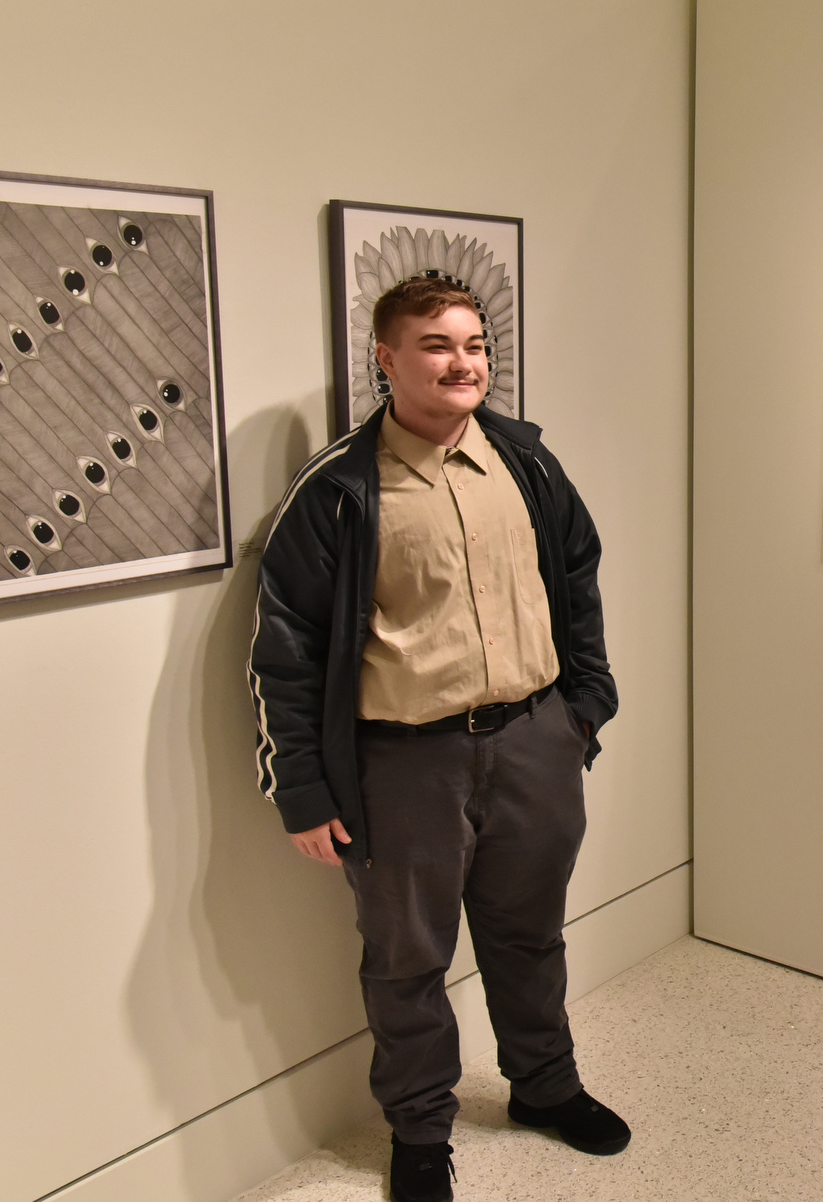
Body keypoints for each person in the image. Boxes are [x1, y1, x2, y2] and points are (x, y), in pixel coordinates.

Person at [247, 276, 626, 1202]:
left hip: (537, 741)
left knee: (529, 936)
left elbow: (577, 573)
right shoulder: (338, 490)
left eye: (475, 345)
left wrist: (586, 702)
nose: (464, 364)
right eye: (436, 345)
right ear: (386, 359)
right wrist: (300, 787)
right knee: (408, 960)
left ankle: (545, 1087)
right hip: (406, 764)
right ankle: (421, 1128)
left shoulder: (526, 462)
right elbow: (285, 651)